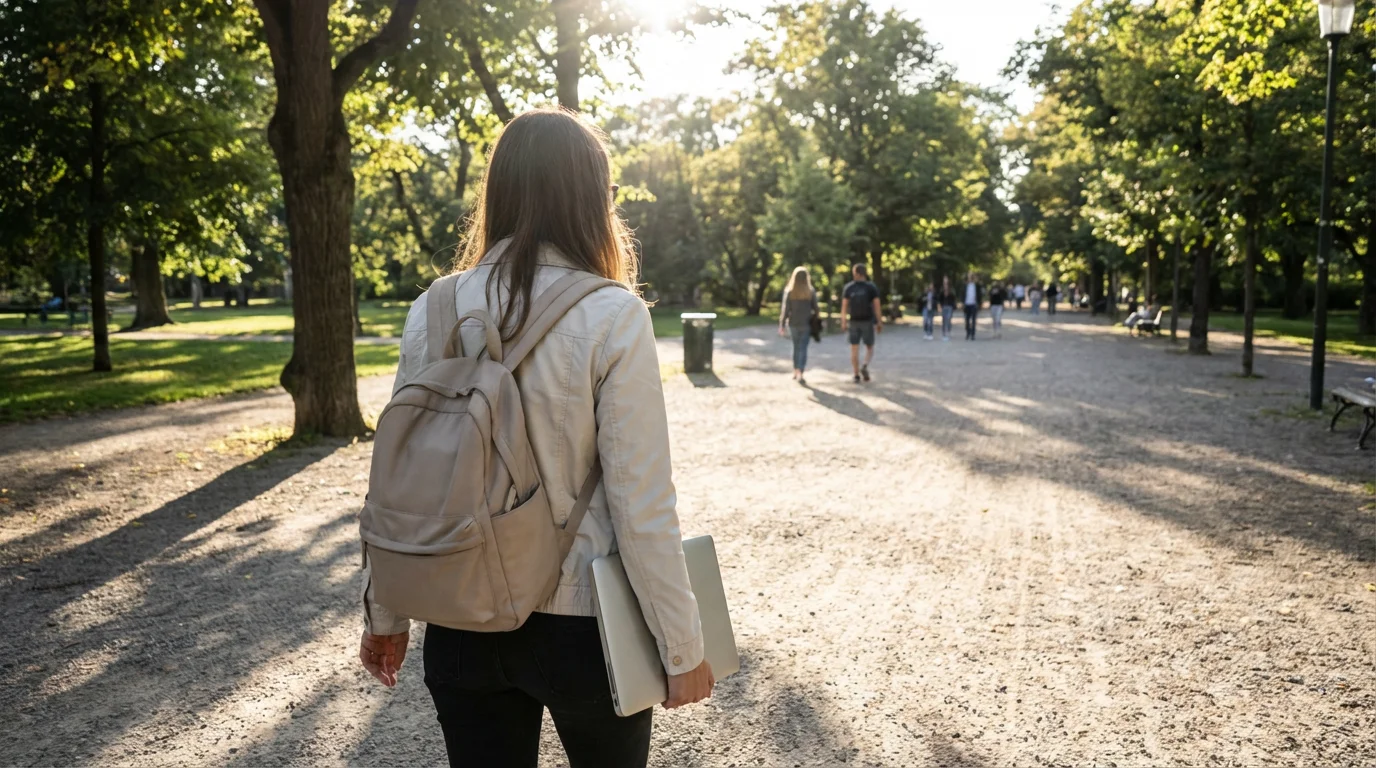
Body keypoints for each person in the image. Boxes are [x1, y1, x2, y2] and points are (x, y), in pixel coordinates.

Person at [359, 109, 713, 768]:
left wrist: (384, 616)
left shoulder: (433, 307)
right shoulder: (613, 314)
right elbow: (641, 506)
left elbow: (399, 483)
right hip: (586, 624)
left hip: (458, 611)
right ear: (590, 197)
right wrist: (683, 647)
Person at [841, 263, 882, 383]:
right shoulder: (871, 287)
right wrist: (879, 321)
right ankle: (865, 364)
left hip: (853, 321)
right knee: (869, 347)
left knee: (854, 348)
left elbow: (844, 307)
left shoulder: (849, 287)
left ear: (857, 273)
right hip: (867, 321)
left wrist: (843, 321)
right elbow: (877, 306)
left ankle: (856, 374)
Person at [779, 266, 820, 385]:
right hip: (806, 323)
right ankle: (801, 372)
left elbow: (785, 310)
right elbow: (816, 308)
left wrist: (781, 324)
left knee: (795, 347)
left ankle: (795, 370)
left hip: (793, 323)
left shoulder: (790, 291)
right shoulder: (810, 291)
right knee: (803, 348)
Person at [962, 271, 983, 341]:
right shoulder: (965, 285)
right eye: (969, 276)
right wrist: (962, 303)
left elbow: (979, 295)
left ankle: (973, 334)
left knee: (973, 320)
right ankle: (968, 333)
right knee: (967, 320)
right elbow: (962, 294)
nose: (970, 278)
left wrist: (979, 304)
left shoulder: (977, 286)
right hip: (967, 304)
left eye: (972, 276)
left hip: (974, 304)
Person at [939, 277, 957, 341]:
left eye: (946, 280)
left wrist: (949, 292)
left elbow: (954, 297)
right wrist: (940, 305)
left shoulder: (951, 289)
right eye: (944, 280)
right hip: (944, 306)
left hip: (950, 306)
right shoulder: (942, 289)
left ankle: (948, 331)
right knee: (944, 320)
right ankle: (944, 333)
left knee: (948, 319)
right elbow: (940, 298)